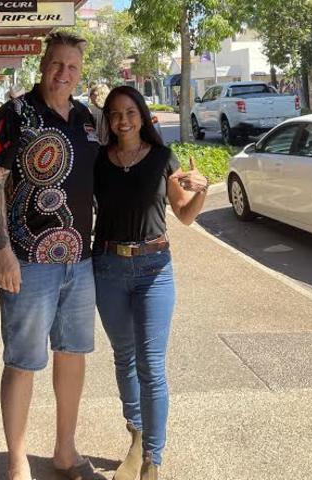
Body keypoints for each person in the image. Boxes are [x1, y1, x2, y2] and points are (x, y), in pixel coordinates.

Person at [0, 32, 105, 480]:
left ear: (79, 72)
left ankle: (64, 452)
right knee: (23, 360)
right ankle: (17, 462)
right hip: (28, 261)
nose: (63, 74)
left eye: (72, 67)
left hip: (80, 262)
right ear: (42, 64)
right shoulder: (13, 115)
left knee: (72, 354)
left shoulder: (88, 119)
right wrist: (2, 252)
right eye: (56, 64)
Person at [93, 86, 208, 480]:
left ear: (141, 116)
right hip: (107, 267)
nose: (122, 120)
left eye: (129, 112)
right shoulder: (99, 161)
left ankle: (151, 460)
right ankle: (136, 434)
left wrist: (202, 191)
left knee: (151, 365)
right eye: (114, 113)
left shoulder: (161, 158)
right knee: (123, 358)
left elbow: (185, 215)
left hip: (154, 270)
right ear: (107, 120)